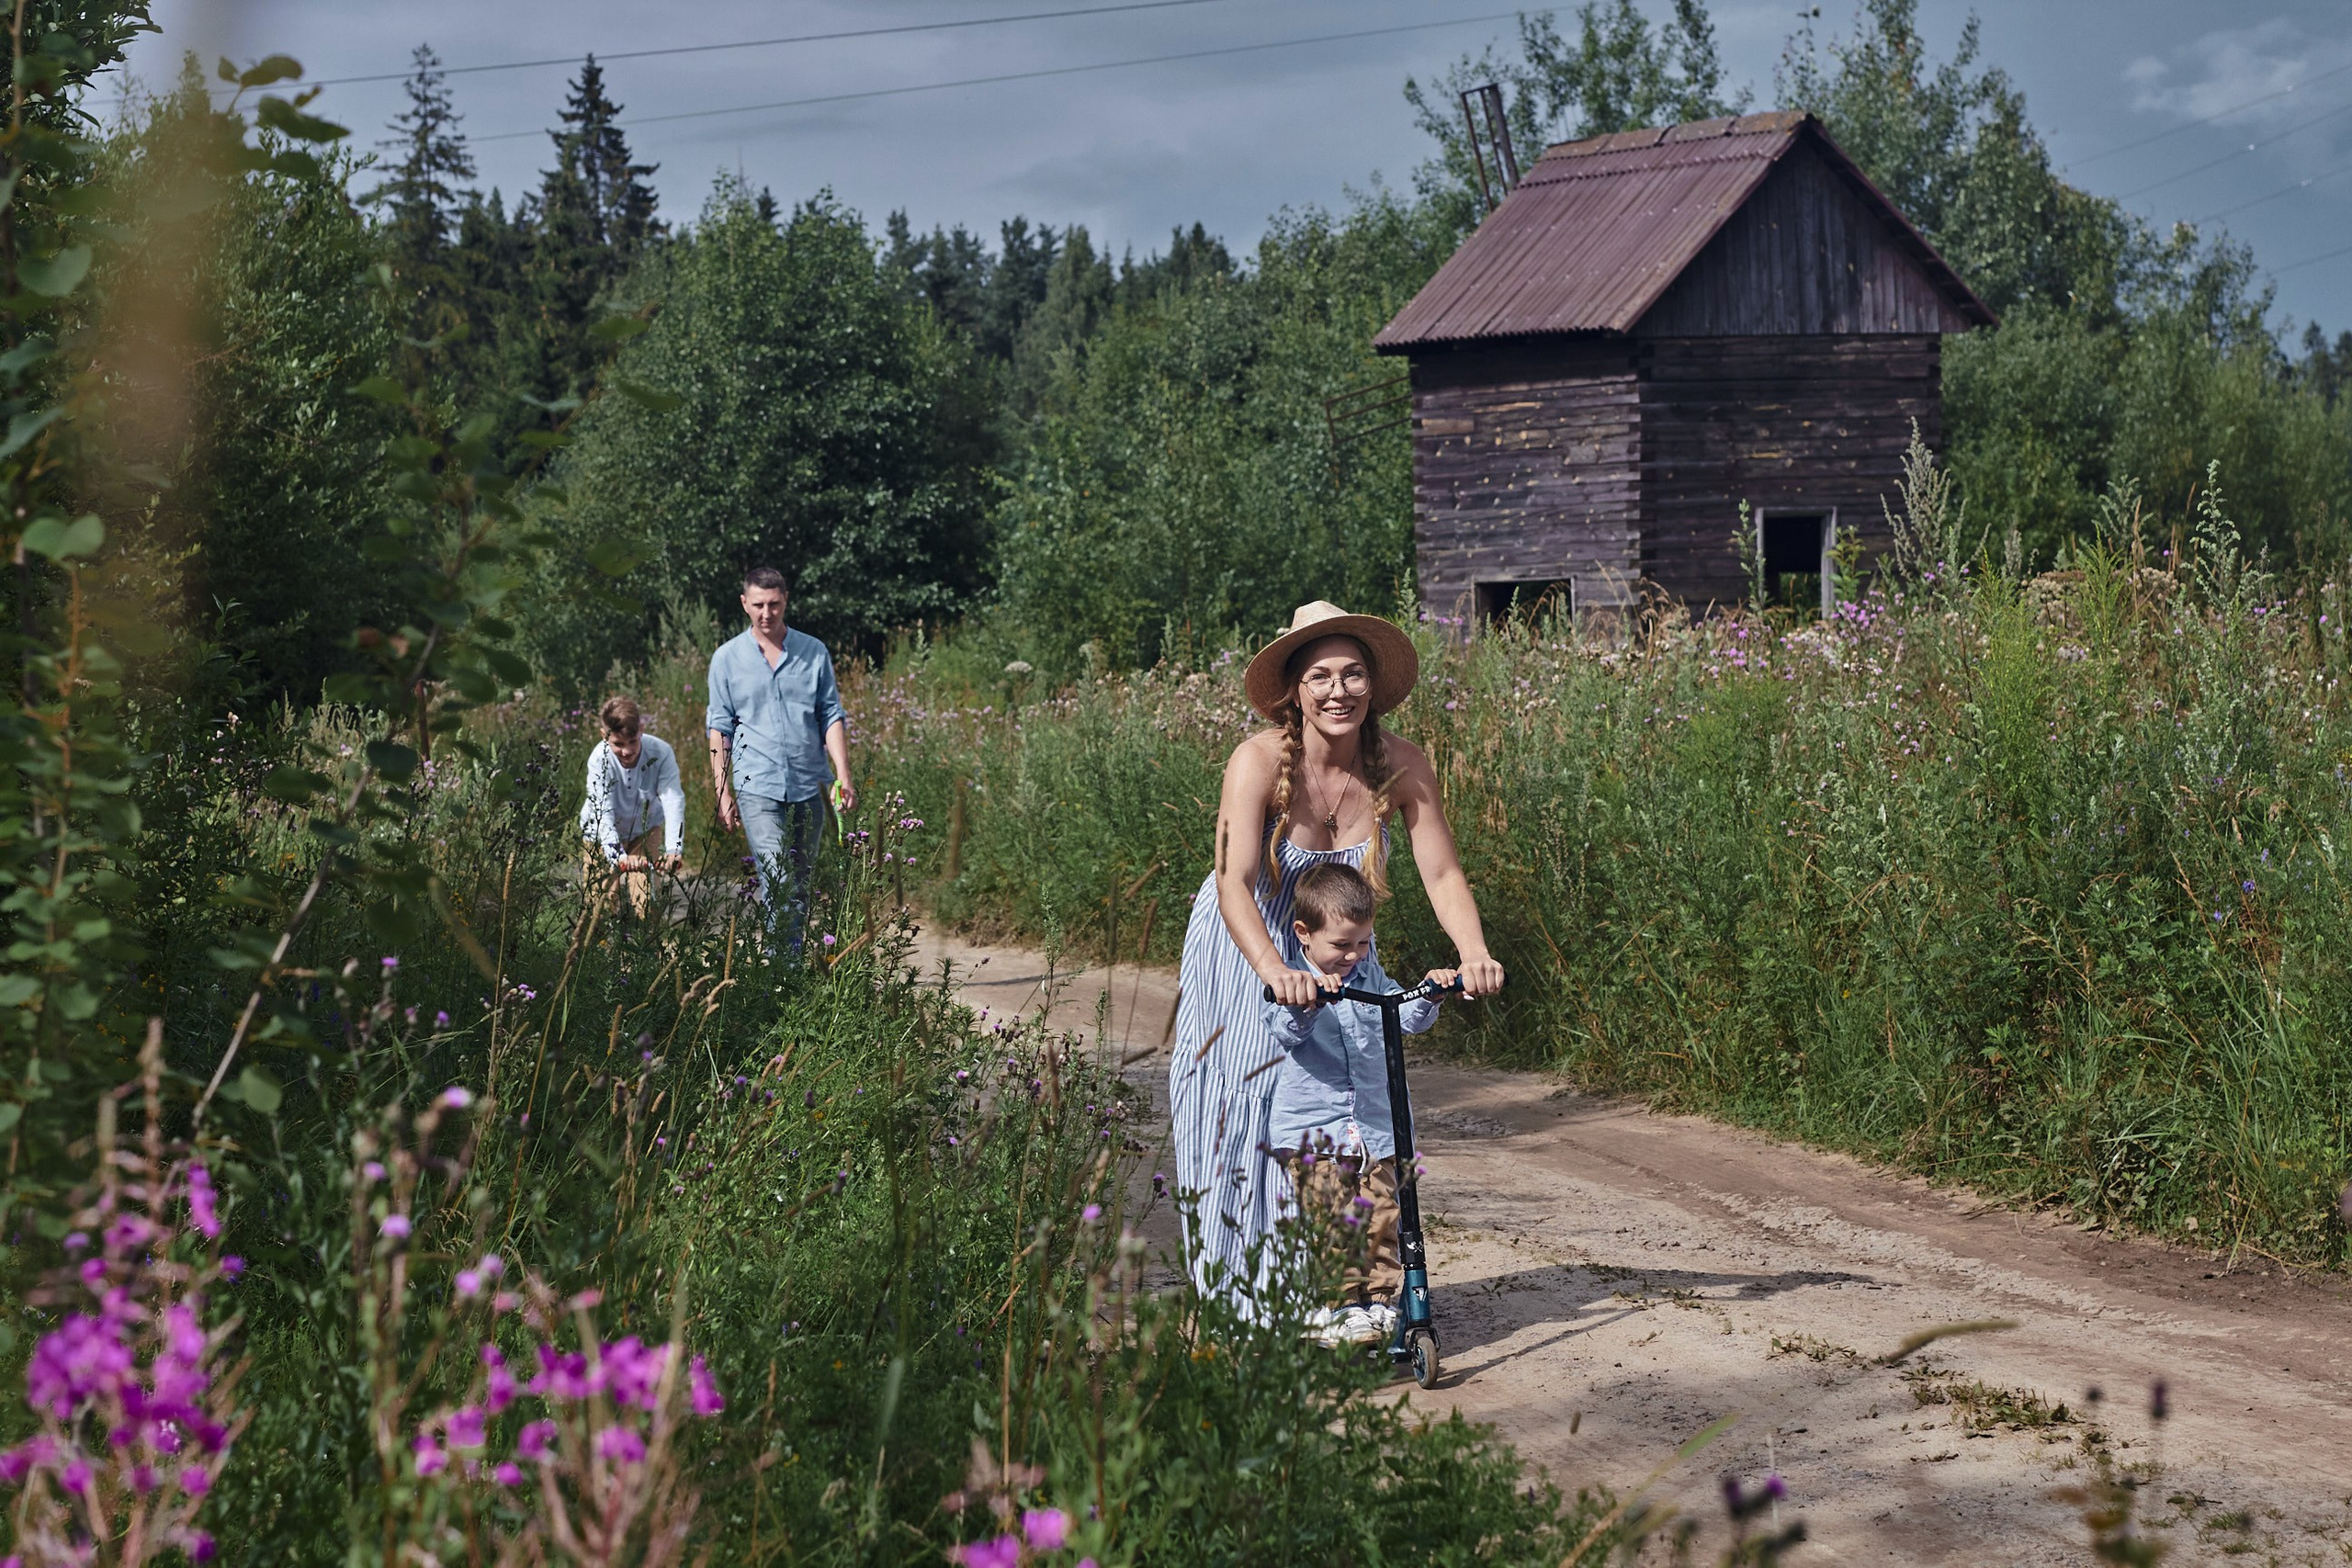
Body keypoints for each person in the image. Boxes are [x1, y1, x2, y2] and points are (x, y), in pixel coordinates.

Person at [1168, 600, 1503, 1314]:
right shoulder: (1256, 761)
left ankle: (1341, 1299)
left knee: (1339, 1125)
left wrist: (1473, 952)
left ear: (1372, 685)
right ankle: (1243, 1302)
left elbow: (1442, 872)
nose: (1338, 690)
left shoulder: (1401, 763)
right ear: (1294, 690)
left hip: (1340, 948)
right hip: (1249, 941)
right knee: (1244, 1108)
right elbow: (1231, 878)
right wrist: (1272, 970)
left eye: (1353, 674)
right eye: (1320, 675)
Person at [1262, 861, 1455, 1347]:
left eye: (1363, 943)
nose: (1353, 955)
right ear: (1304, 933)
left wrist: (1429, 993)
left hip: (1376, 1126)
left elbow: (1403, 1013)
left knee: (1384, 1213)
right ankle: (1343, 1304)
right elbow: (1286, 1031)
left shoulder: (1368, 974)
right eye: (1342, 945)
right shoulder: (1290, 982)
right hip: (1316, 1132)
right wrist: (1305, 1003)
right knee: (1335, 1218)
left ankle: (1382, 1304)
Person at [704, 566, 856, 948]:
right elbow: (719, 728)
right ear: (744, 604)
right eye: (758, 605)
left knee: (799, 888)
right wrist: (722, 793)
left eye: (773, 604)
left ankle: (784, 967)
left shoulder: (813, 652)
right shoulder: (727, 659)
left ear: (785, 600)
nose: (766, 613)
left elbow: (831, 715)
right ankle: (783, 978)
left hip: (809, 785)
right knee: (778, 879)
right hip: (758, 787)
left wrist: (844, 775)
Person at [578, 695, 684, 919]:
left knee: (647, 903)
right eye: (618, 744)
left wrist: (674, 850)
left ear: (642, 730)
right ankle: (603, 949)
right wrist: (619, 856)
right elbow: (602, 812)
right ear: (604, 735)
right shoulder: (599, 759)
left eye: (633, 741)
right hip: (600, 835)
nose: (626, 751)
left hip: (645, 830)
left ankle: (648, 950)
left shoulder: (661, 752)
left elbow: (673, 800)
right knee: (600, 905)